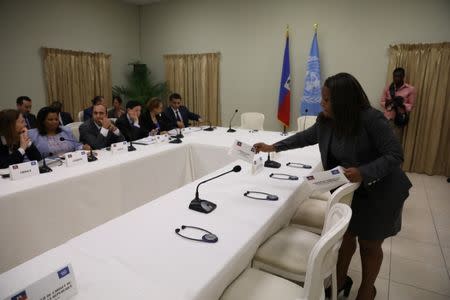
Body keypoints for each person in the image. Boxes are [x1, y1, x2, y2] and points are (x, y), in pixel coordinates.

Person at [254, 73, 412, 300]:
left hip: (379, 192)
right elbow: (304, 137)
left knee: (369, 245)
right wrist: (273, 146)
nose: (321, 103)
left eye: (327, 99)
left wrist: (363, 172)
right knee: (346, 238)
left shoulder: (371, 119)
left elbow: (395, 155)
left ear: (343, 101)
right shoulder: (326, 121)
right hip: (349, 191)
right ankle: (339, 280)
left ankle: (368, 289)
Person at [380, 67, 416, 140]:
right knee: (383, 140)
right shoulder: (388, 88)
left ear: (403, 76)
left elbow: (411, 106)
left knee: (395, 141)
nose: (396, 78)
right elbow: (381, 102)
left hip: (399, 118)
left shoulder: (410, 89)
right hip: (387, 118)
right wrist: (388, 103)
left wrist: (401, 104)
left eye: (399, 76)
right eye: (395, 76)